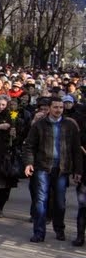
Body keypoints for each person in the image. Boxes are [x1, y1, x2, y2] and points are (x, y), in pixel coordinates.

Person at [21, 97, 81, 244]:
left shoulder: (69, 125)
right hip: (43, 167)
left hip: (62, 169)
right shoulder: (40, 125)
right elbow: (29, 146)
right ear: (49, 108)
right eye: (55, 107)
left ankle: (59, 228)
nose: (58, 110)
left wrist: (78, 171)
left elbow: (76, 150)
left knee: (60, 202)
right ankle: (39, 232)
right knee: (41, 199)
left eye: (61, 107)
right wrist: (29, 163)